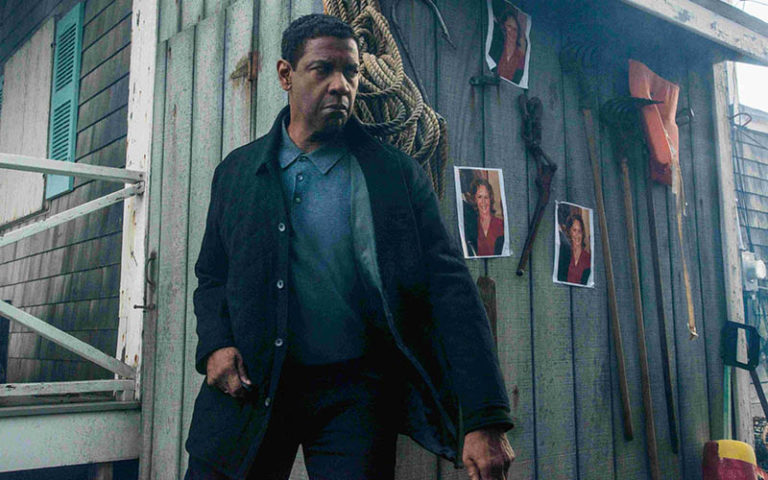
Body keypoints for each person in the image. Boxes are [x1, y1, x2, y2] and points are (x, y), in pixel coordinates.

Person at [184, 13, 515, 480]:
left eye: (351, 71)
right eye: (323, 69)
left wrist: (485, 416)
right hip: (253, 383)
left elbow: (452, 292)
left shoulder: (395, 176)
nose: (341, 85)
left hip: (353, 394)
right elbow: (212, 276)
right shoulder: (237, 172)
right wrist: (216, 345)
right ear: (286, 75)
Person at [464, 178, 505, 257]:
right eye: (479, 197)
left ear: (490, 199)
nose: (483, 202)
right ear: (474, 199)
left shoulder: (502, 225)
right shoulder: (471, 226)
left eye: (486, 197)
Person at [557, 214, 591, 285]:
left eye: (579, 231)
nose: (577, 235)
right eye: (574, 230)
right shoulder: (564, 255)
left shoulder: (588, 258)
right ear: (569, 232)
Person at [493, 10, 526, 84]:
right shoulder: (496, 47)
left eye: (515, 29)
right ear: (503, 27)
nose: (512, 32)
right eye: (509, 26)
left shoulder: (520, 57)